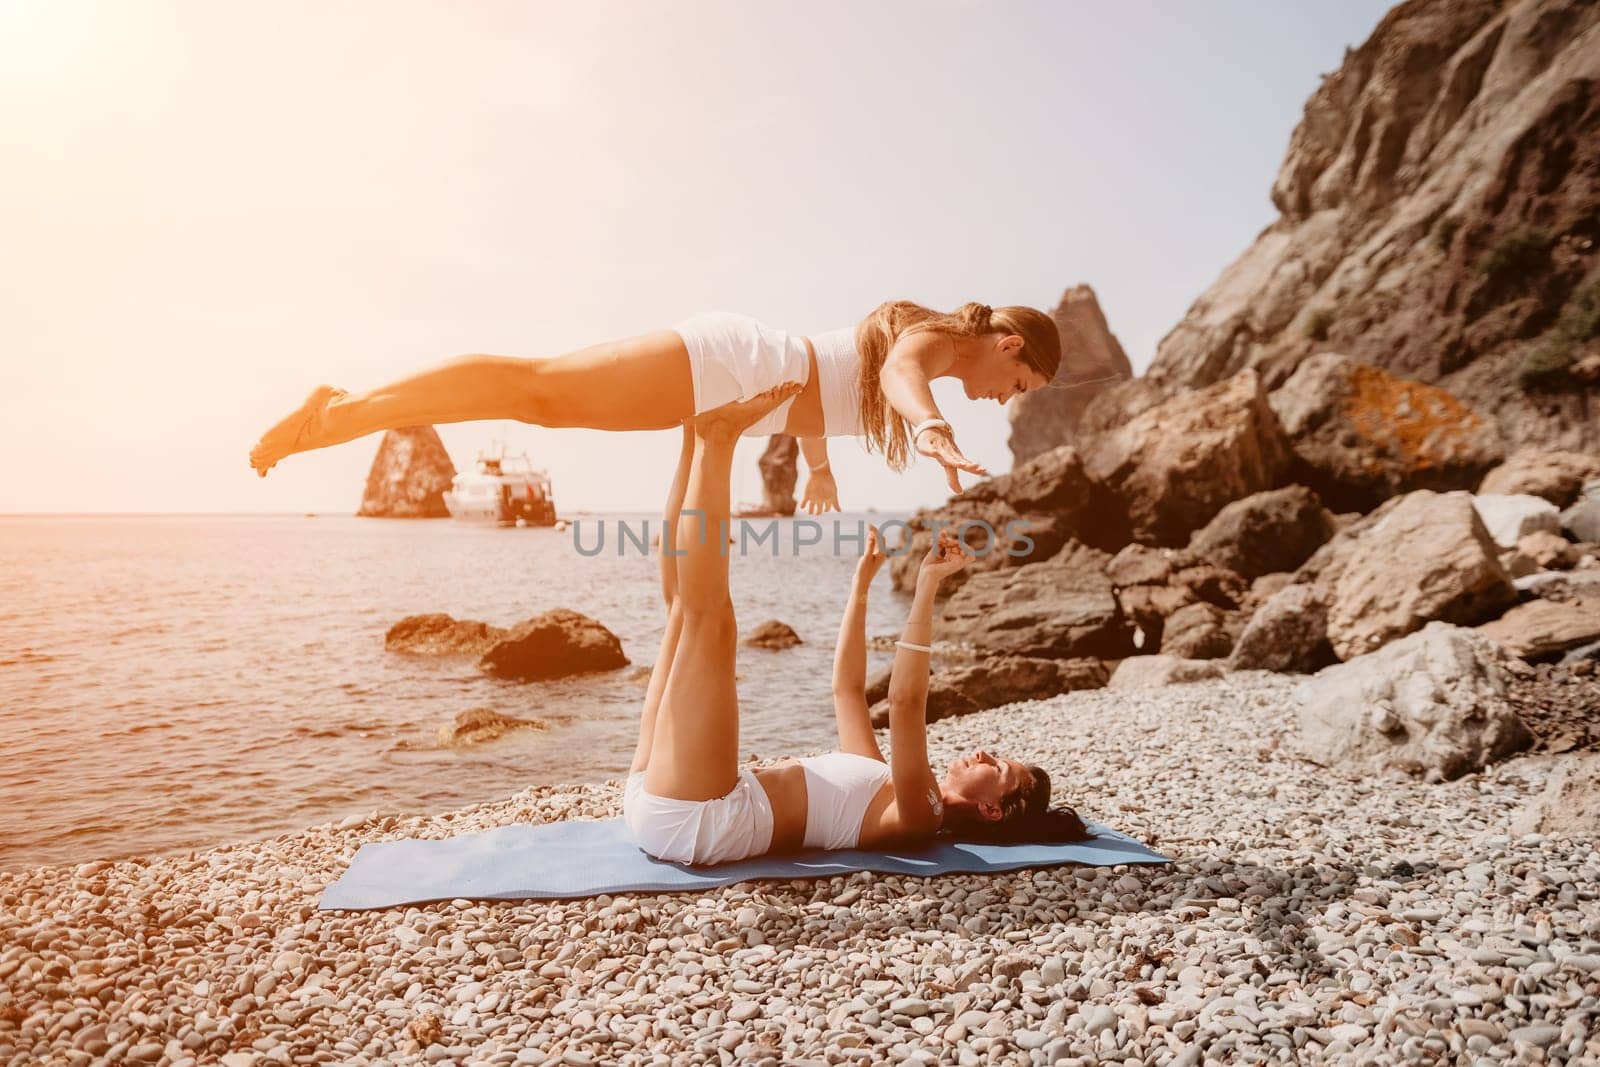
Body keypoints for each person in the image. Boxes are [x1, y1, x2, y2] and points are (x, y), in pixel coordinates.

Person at [621, 384, 1089, 866]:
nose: (986, 753)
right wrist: (861, 586)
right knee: (682, 608)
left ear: (992, 810)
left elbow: (906, 705)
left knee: (709, 620)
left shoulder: (921, 814)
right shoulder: (877, 776)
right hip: (665, 797)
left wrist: (928, 585)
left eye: (1000, 769)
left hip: (701, 819)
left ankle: (718, 439)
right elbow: (846, 690)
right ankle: (695, 436)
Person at [247, 300, 1062, 510]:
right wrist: (933, 432)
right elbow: (894, 377)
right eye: (1018, 388)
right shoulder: (936, 343)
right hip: (725, 366)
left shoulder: (928, 341)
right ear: (1012, 347)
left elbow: (840, 372)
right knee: (537, 389)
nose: (1004, 400)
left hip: (737, 385)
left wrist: (818, 465)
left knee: (542, 399)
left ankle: (348, 410)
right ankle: (345, 411)